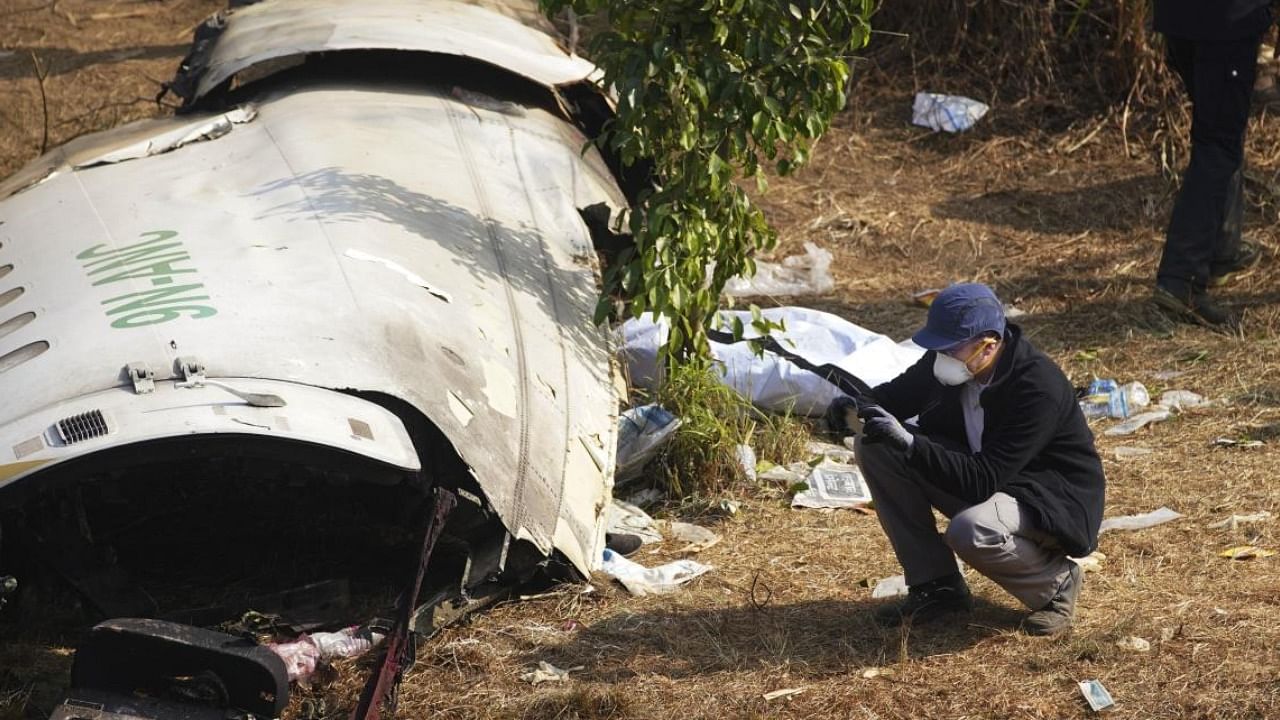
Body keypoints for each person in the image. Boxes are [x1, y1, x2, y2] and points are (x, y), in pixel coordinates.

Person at [830, 283, 1105, 636]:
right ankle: (936, 585)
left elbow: (981, 479)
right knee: (875, 445)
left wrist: (912, 443)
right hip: (987, 477)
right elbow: (894, 398)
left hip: (1045, 498)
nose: (939, 355)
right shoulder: (951, 363)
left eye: (949, 348)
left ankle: (1056, 584)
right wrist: (856, 406)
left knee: (972, 530)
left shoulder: (1038, 388)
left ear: (988, 346)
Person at [1152, 0, 1271, 328]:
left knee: (1217, 137)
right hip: (1225, 23)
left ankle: (1220, 251)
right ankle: (1182, 279)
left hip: (1181, 20)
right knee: (1217, 145)